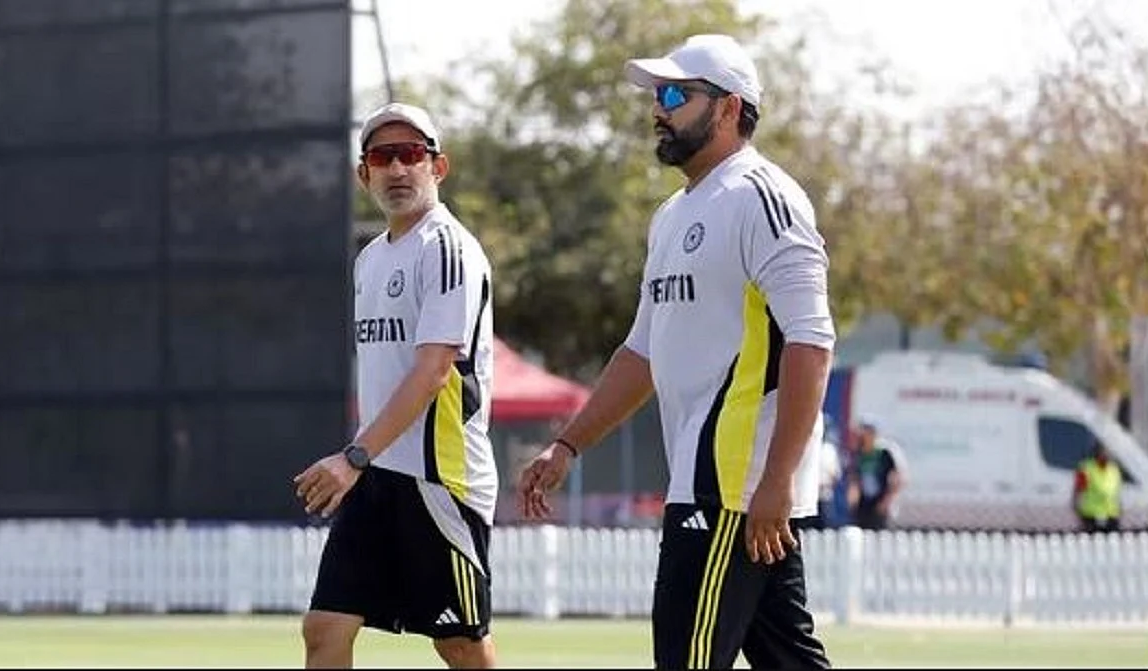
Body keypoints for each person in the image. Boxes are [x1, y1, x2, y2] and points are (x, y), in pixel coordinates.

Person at [518, 34, 834, 670]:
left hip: (731, 486)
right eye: (657, 96)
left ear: (728, 107)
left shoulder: (763, 198)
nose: (657, 111)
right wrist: (568, 444)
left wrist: (775, 481)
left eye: (673, 96)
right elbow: (641, 353)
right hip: (714, 484)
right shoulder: (671, 215)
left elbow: (812, 342)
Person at [292, 102, 499, 669]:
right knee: (325, 629)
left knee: (460, 643)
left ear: (439, 166)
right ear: (364, 174)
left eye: (411, 154)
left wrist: (353, 457)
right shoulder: (370, 260)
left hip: (440, 477)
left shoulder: (448, 248)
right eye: (383, 158)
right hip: (377, 473)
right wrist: (364, 461)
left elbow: (433, 372)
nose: (398, 169)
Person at [845, 416, 906, 530]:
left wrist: (888, 500)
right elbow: (854, 477)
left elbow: (898, 478)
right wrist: (852, 498)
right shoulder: (858, 453)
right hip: (863, 505)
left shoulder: (885, 452)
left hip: (882, 504)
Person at [1073, 441, 1123, 533]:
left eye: (1109, 452)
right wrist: (1078, 511)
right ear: (1097, 453)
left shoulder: (1114, 469)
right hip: (1090, 515)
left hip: (1111, 514)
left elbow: (1116, 493)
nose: (1107, 454)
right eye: (1104, 452)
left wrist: (1119, 511)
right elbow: (1078, 491)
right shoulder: (1086, 468)